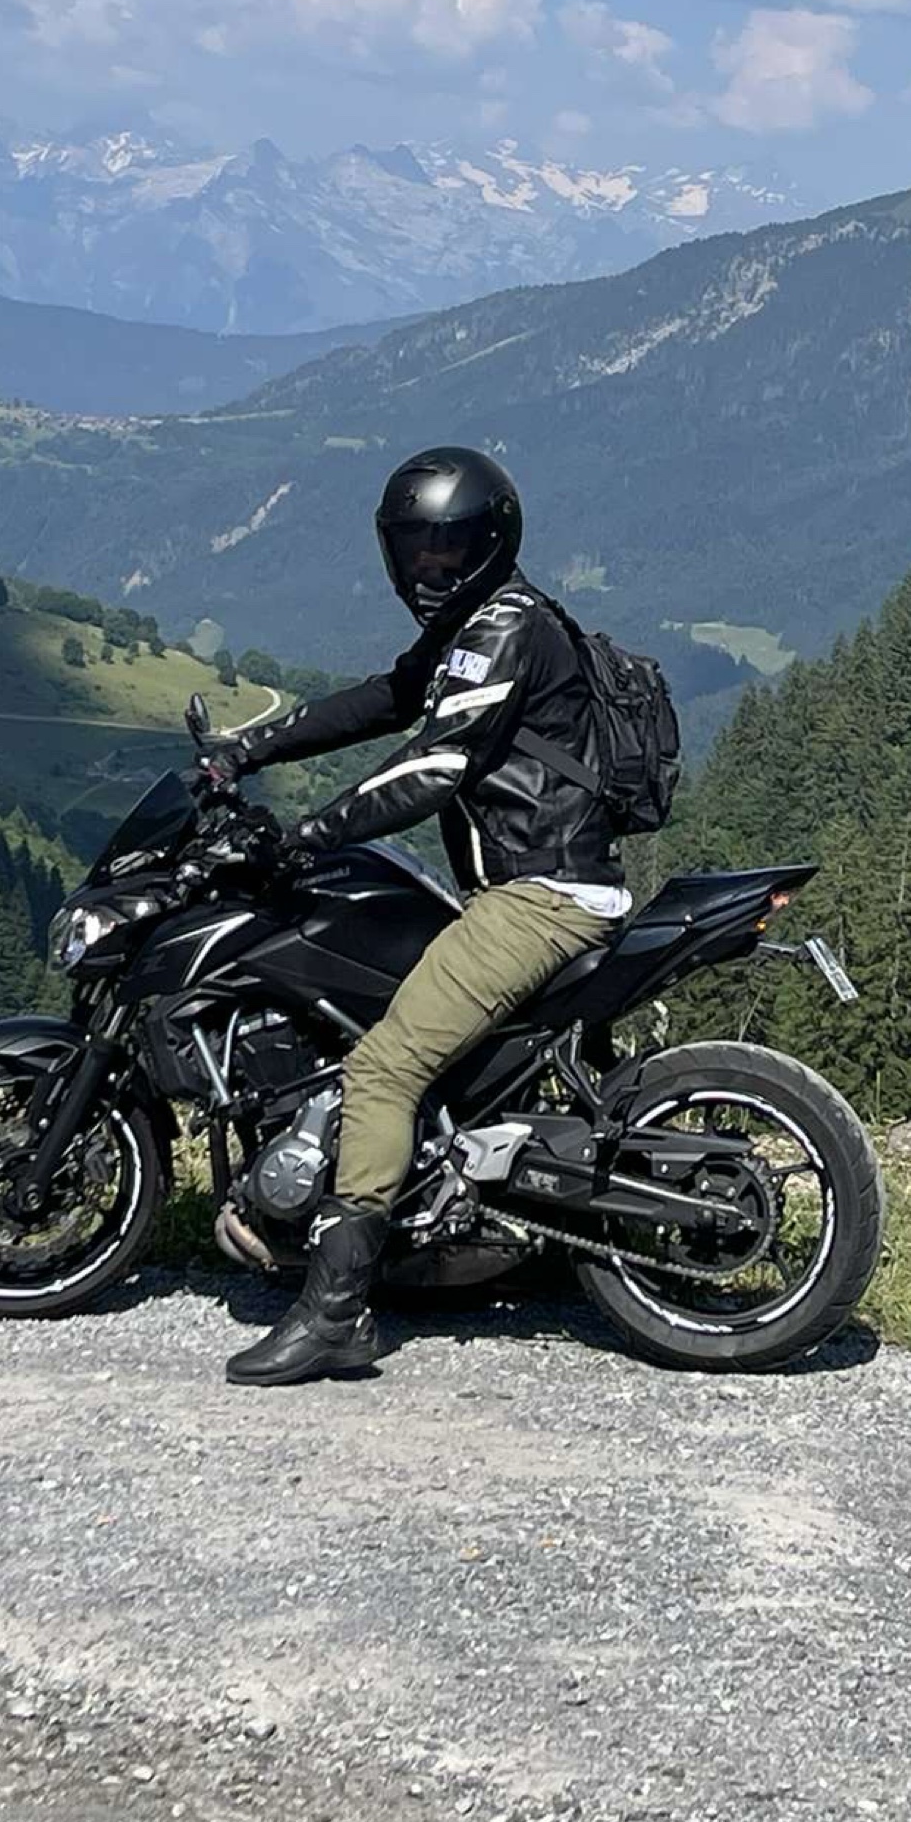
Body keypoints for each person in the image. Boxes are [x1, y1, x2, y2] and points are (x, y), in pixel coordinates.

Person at [210, 444, 625, 1387]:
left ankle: (335, 1314)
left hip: (541, 897)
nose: (429, 567)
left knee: (384, 1069)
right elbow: (390, 699)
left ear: (491, 545)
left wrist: (308, 834)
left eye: (449, 549)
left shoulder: (504, 629)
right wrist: (254, 748)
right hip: (531, 888)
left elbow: (434, 766)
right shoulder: (480, 621)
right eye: (413, 550)